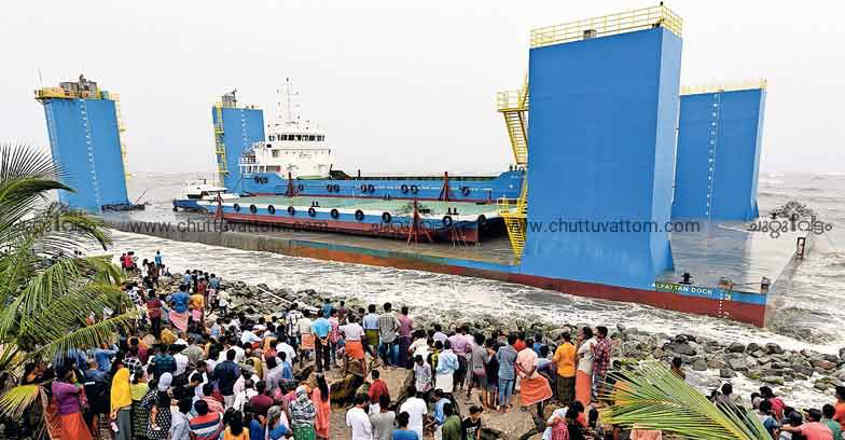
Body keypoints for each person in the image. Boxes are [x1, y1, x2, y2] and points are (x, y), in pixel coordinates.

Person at [52, 366, 93, 440]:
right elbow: (79, 388)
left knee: (68, 434)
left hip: (63, 414)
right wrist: (74, 380)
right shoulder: (66, 387)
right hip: (73, 413)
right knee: (75, 434)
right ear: (66, 374)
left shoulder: (55, 384)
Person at [516, 340, 553, 418]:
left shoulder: (520, 353)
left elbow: (518, 364)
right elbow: (534, 366)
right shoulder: (534, 354)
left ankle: (525, 405)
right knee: (544, 384)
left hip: (524, 376)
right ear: (532, 345)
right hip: (533, 375)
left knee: (525, 391)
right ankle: (540, 406)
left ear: (525, 344)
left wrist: (524, 371)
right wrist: (529, 373)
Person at [111, 359, 133, 440]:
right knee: (124, 430)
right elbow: (123, 400)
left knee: (121, 429)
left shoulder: (116, 382)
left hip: (118, 410)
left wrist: (114, 411)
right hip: (123, 410)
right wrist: (116, 411)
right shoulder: (125, 386)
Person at [496, 334, 518, 412]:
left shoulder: (501, 349)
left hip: (502, 372)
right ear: (515, 342)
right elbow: (514, 363)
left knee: (501, 390)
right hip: (511, 373)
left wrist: (501, 363)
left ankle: (501, 405)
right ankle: (507, 405)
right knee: (509, 391)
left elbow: (497, 358)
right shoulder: (515, 352)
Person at [553, 332, 577, 404]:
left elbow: (555, 360)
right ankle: (570, 401)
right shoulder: (574, 347)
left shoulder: (560, 348)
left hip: (562, 372)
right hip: (572, 372)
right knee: (570, 389)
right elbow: (577, 358)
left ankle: (563, 403)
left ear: (563, 339)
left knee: (561, 389)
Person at [575, 327, 596, 407]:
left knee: (581, 387)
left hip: (583, 367)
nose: (580, 334)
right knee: (587, 386)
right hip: (590, 367)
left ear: (585, 335)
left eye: (582, 333)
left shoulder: (586, 344)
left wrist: (578, 342)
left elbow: (577, 352)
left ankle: (581, 404)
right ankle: (587, 402)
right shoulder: (594, 341)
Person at [591, 326, 612, 400]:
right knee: (601, 383)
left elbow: (596, 357)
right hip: (605, 367)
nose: (596, 333)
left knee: (597, 384)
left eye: (597, 332)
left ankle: (597, 399)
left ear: (602, 334)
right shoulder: (608, 340)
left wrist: (592, 349)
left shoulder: (601, 345)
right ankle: (600, 398)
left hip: (599, 368)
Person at [467, 333, 488, 401]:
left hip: (473, 368)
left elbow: (469, 357)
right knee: (483, 385)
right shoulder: (483, 350)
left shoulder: (472, 348)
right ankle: (483, 398)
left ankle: (468, 394)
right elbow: (486, 361)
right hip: (481, 369)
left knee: (471, 381)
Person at [312, 374, 331, 439]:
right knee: (326, 423)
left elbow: (315, 403)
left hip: (320, 409)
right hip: (327, 407)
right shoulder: (327, 387)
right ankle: (326, 436)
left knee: (320, 423)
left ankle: (320, 436)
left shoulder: (316, 390)